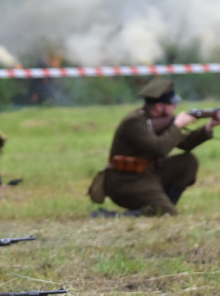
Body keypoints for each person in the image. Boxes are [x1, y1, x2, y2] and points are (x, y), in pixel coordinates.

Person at [89, 78, 218, 216]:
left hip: (147, 175)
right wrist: (176, 125)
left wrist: (210, 125)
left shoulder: (159, 121)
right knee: (167, 212)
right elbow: (159, 149)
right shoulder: (134, 122)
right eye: (172, 103)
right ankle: (112, 216)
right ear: (158, 106)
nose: (176, 106)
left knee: (188, 162)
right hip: (125, 182)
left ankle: (164, 206)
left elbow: (186, 144)